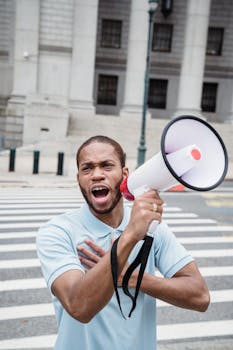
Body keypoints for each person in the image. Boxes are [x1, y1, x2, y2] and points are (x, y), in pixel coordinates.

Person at [36, 135, 210, 350]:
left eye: (107, 166)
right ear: (79, 178)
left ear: (125, 174)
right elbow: (79, 307)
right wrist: (130, 235)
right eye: (87, 168)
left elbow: (200, 296)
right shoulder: (58, 231)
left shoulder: (154, 229)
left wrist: (131, 276)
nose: (97, 175)